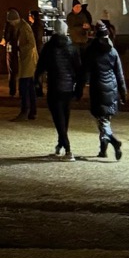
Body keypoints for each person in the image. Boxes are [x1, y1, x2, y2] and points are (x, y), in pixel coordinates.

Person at [81, 22, 127, 160]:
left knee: (102, 120)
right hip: (111, 88)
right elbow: (119, 74)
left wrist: (79, 88)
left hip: (97, 88)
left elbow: (85, 72)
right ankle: (103, 150)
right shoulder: (112, 51)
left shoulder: (90, 50)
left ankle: (114, 142)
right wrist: (123, 92)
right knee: (104, 120)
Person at [36, 23, 82, 159]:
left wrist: (36, 82)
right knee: (64, 117)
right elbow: (79, 69)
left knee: (58, 118)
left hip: (54, 86)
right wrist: (78, 88)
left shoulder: (49, 47)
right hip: (68, 88)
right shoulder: (72, 47)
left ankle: (67, 148)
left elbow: (41, 66)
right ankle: (60, 145)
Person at [6, 9, 39, 121]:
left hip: (28, 61)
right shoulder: (21, 26)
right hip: (27, 60)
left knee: (24, 87)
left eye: (11, 22)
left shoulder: (24, 28)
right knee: (29, 87)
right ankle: (32, 112)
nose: (11, 24)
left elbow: (31, 44)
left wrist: (19, 49)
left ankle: (25, 110)